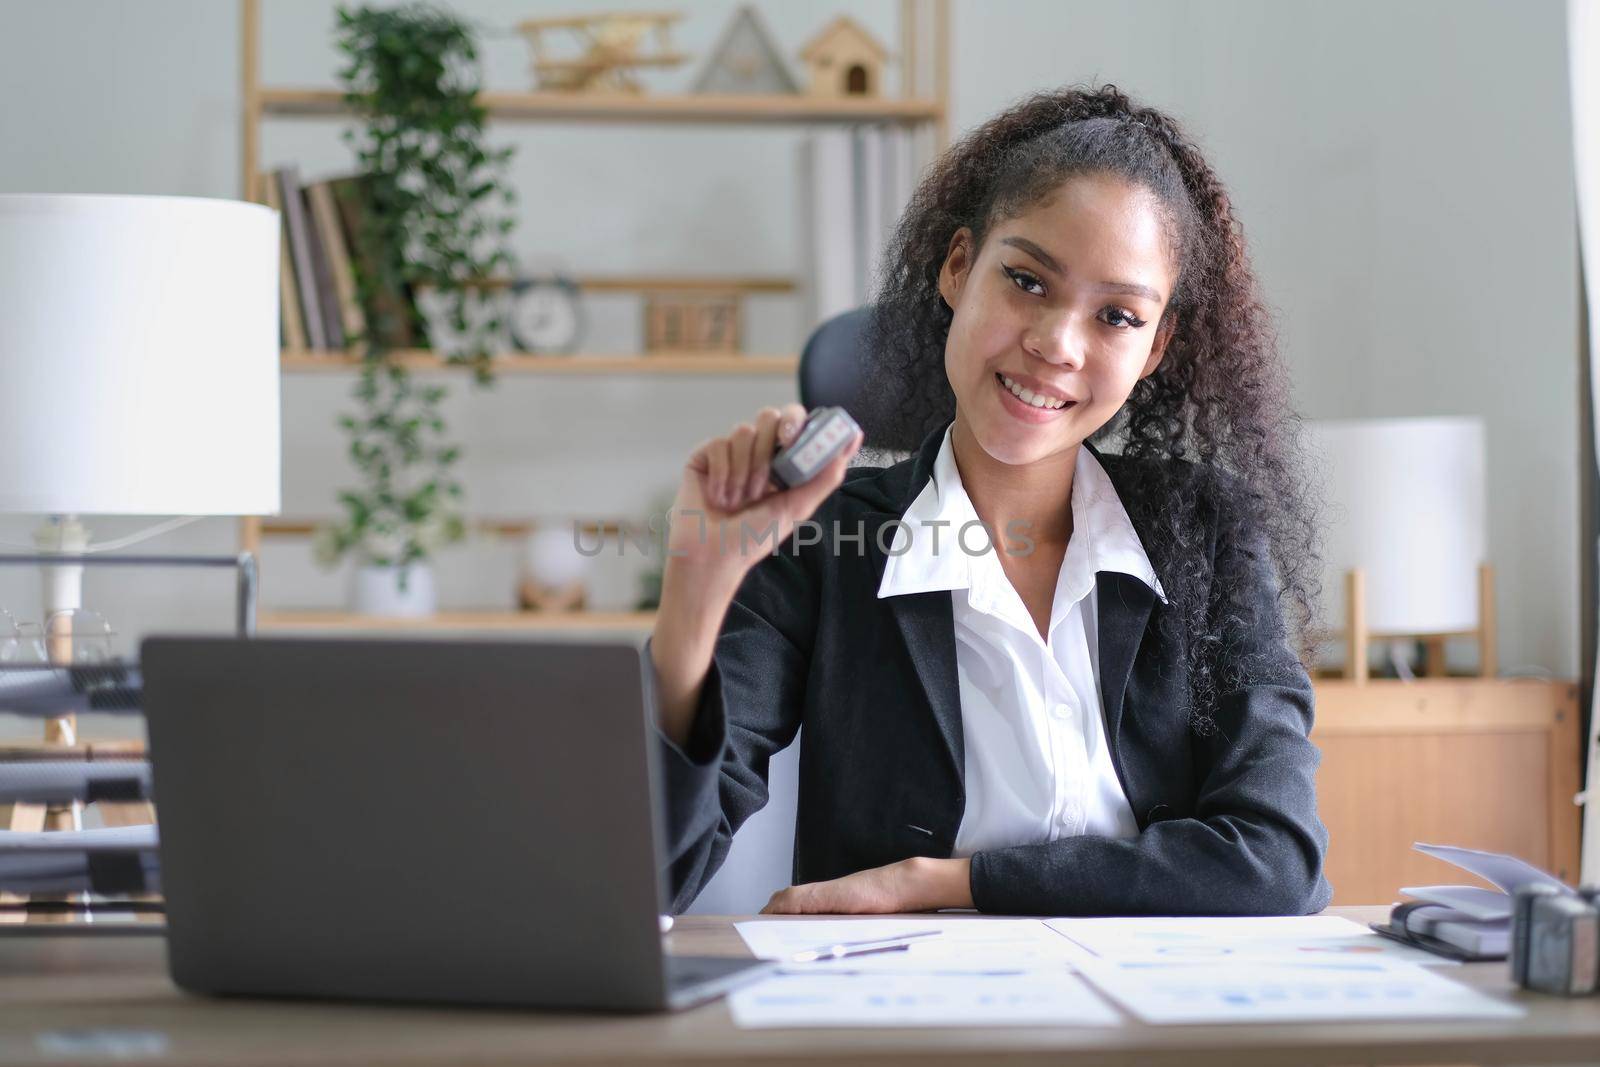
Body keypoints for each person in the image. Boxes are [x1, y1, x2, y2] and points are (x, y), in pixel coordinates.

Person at [645, 84, 1330, 917]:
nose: (1055, 345)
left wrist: (948, 882)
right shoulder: (820, 539)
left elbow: (1277, 859)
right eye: (1028, 282)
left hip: (1155, 1025)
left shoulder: (1206, 532)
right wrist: (694, 595)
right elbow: (654, 877)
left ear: (1155, 348)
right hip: (902, 1016)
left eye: (1116, 315)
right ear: (959, 267)